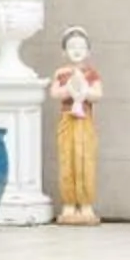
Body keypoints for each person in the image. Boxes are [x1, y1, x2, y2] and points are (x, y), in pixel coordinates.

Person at [49, 27, 102, 225]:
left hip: (85, 120)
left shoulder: (91, 73)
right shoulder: (61, 73)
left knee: (85, 159)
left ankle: (86, 203)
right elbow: (55, 93)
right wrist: (70, 89)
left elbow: (98, 94)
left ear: (88, 51)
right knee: (67, 160)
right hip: (67, 119)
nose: (77, 50)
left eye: (81, 46)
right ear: (64, 51)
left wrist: (84, 91)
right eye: (72, 47)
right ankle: (69, 202)